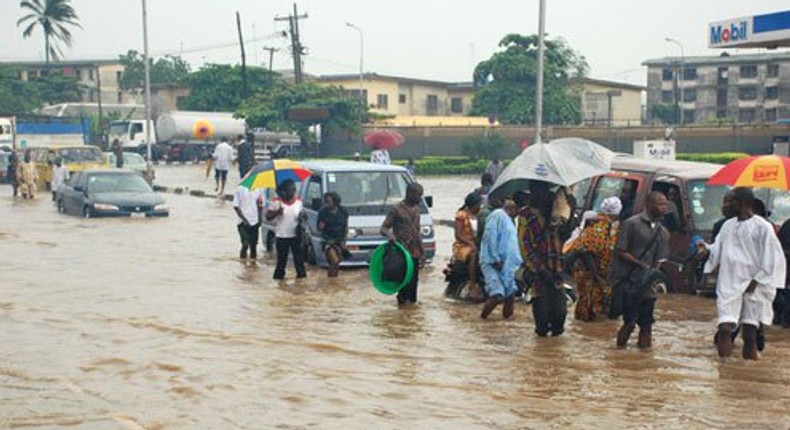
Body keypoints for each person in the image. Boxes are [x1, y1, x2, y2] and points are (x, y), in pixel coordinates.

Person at [703, 188, 786, 360]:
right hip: (729, 283)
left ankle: (748, 369)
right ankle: (723, 368)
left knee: (749, 334)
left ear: (742, 203)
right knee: (725, 326)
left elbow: (772, 259)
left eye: (728, 202)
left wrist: (756, 281)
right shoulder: (727, 226)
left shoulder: (763, 227)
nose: (723, 207)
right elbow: (717, 250)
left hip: (754, 286)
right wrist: (705, 251)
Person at [610, 191, 670, 349]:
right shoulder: (631, 224)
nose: (664, 208)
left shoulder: (662, 231)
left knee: (646, 325)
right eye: (660, 204)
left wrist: (654, 277)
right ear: (649, 205)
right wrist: (640, 265)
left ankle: (645, 360)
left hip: (648, 286)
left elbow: (661, 259)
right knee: (629, 323)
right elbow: (620, 251)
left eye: (665, 205)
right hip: (629, 282)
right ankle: (618, 354)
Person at [519, 181, 566, 336]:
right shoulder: (526, 215)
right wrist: (540, 269)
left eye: (546, 190)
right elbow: (525, 246)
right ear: (533, 192)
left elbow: (565, 236)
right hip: (539, 273)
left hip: (557, 268)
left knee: (560, 315)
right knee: (542, 316)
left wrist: (567, 210)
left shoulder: (556, 212)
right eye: (540, 191)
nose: (544, 195)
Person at [567, 196, 622, 322]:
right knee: (587, 303)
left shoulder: (608, 225)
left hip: (599, 272)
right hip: (589, 272)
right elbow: (587, 251)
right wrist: (596, 275)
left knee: (594, 303)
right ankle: (583, 328)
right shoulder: (600, 225)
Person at [380, 182, 424, 305]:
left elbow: (417, 232)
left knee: (413, 285)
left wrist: (422, 252)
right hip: (402, 253)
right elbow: (383, 228)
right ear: (410, 194)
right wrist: (390, 236)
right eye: (418, 195)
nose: (420, 198)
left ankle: (410, 316)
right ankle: (402, 308)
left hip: (414, 252)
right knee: (403, 285)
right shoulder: (396, 209)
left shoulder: (416, 209)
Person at [479, 200, 523, 319]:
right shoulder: (497, 215)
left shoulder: (511, 221)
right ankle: (482, 319)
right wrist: (495, 259)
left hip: (507, 264)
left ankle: (506, 323)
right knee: (497, 294)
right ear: (513, 208)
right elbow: (490, 237)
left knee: (511, 294)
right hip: (492, 262)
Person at [266, 180, 307, 280]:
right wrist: (277, 213)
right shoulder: (276, 202)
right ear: (284, 191)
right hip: (282, 236)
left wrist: (303, 216)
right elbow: (267, 216)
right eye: (290, 190)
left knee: (299, 261)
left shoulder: (298, 202)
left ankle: (301, 281)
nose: (292, 192)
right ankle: (278, 281)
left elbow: (302, 217)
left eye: (293, 190)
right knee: (281, 262)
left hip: (296, 236)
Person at [453, 192, 484, 301]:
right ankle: (472, 283)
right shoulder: (461, 215)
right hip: (462, 244)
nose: (480, 206)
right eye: (479, 204)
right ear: (473, 204)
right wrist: (470, 243)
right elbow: (458, 235)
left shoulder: (481, 214)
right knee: (473, 253)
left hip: (476, 242)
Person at [317, 191, 349, 278]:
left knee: (337, 262)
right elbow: (318, 228)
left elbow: (346, 227)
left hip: (339, 240)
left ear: (335, 201)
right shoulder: (323, 212)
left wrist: (344, 242)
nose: (327, 204)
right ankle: (331, 281)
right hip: (328, 240)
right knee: (334, 261)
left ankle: (333, 281)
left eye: (329, 202)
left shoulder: (343, 211)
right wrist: (321, 226)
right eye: (325, 201)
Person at [233, 186, 264, 260]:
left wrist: (260, 219)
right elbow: (236, 206)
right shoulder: (240, 188)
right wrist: (244, 219)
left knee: (254, 246)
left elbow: (261, 206)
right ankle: (243, 263)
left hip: (255, 221)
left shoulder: (259, 189)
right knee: (245, 244)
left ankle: (252, 266)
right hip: (242, 223)